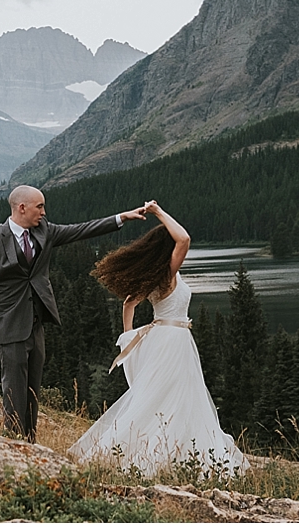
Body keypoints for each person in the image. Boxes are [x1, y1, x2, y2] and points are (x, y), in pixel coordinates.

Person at [69, 200, 250, 478]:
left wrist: (130, 336)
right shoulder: (167, 272)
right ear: (169, 248)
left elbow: (128, 304)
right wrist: (158, 212)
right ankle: (175, 452)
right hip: (173, 340)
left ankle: (163, 450)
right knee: (177, 395)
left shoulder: (157, 276)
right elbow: (185, 238)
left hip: (164, 338)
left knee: (162, 395)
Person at [0, 185, 147, 442]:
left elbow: (81, 230)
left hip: (36, 325)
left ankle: (30, 444)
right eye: (39, 206)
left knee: (32, 393)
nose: (44, 211)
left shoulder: (44, 231)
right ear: (22, 208)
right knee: (13, 392)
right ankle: (13, 445)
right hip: (8, 327)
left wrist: (121, 218)